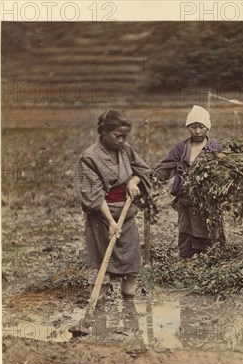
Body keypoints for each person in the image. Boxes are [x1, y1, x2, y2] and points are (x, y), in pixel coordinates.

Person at [74, 109, 152, 300]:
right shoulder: (90, 157)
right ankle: (98, 306)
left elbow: (143, 171)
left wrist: (133, 182)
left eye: (124, 137)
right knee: (101, 264)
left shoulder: (126, 150)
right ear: (104, 132)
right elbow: (93, 194)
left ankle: (129, 305)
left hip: (126, 216)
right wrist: (110, 222)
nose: (121, 141)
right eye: (117, 136)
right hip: (101, 219)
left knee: (131, 264)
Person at [154, 105, 224, 259]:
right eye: (193, 127)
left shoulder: (215, 149)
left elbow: (224, 174)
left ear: (208, 128)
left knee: (209, 230)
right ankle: (185, 262)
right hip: (185, 199)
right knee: (186, 231)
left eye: (201, 127)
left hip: (207, 201)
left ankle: (209, 261)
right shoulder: (181, 147)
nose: (197, 131)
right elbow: (166, 166)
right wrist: (156, 177)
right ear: (188, 127)